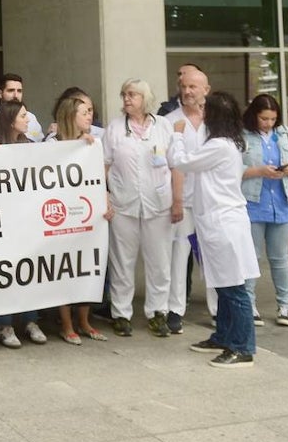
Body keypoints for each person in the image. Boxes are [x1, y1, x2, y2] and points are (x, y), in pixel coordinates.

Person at [170, 91, 260, 368]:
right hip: (215, 222)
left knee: (233, 288)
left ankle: (243, 347)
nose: (202, 111)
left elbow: (181, 162)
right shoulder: (226, 142)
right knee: (222, 285)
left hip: (224, 224)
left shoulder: (220, 146)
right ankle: (223, 336)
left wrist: (176, 135)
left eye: (205, 108)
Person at [102, 79, 174, 338]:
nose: (126, 99)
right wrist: (105, 195)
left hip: (159, 204)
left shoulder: (163, 126)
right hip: (124, 204)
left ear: (145, 98)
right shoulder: (115, 128)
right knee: (122, 261)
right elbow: (104, 165)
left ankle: (158, 313)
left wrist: (177, 202)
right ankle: (121, 314)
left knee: (160, 262)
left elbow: (175, 164)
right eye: (124, 95)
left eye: (132, 95)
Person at [240, 94, 288, 327]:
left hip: (282, 202)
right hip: (253, 203)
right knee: (252, 257)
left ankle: (285, 306)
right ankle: (249, 304)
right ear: (254, 115)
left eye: (272, 118)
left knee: (280, 258)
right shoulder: (242, 135)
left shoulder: (284, 133)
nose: (269, 123)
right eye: (264, 118)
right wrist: (257, 171)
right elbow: (233, 166)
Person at [47, 96, 108, 345]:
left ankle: (84, 321)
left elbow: (100, 178)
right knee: (65, 269)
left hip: (87, 214)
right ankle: (67, 324)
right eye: (84, 112)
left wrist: (107, 202)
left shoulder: (94, 143)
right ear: (71, 116)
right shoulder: (53, 143)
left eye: (90, 111)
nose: (89, 116)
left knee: (86, 266)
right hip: (61, 216)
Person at [0, 100, 48, 348]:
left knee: (28, 270)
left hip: (26, 222)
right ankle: (5, 324)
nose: (28, 120)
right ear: (11, 120)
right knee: (4, 273)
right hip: (2, 224)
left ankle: (31, 320)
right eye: (24, 116)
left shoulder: (31, 147)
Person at [163, 68, 208, 333]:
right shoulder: (170, 121)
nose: (188, 91)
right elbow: (171, 165)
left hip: (210, 202)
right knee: (179, 255)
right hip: (183, 201)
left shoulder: (215, 121)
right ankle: (175, 310)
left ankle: (217, 309)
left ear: (206, 90)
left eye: (193, 87)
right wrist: (177, 201)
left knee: (210, 258)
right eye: (184, 86)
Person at [0, 73, 43, 144]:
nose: (15, 95)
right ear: (0, 93)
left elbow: (40, 146)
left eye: (19, 91)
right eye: (11, 90)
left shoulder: (31, 118)